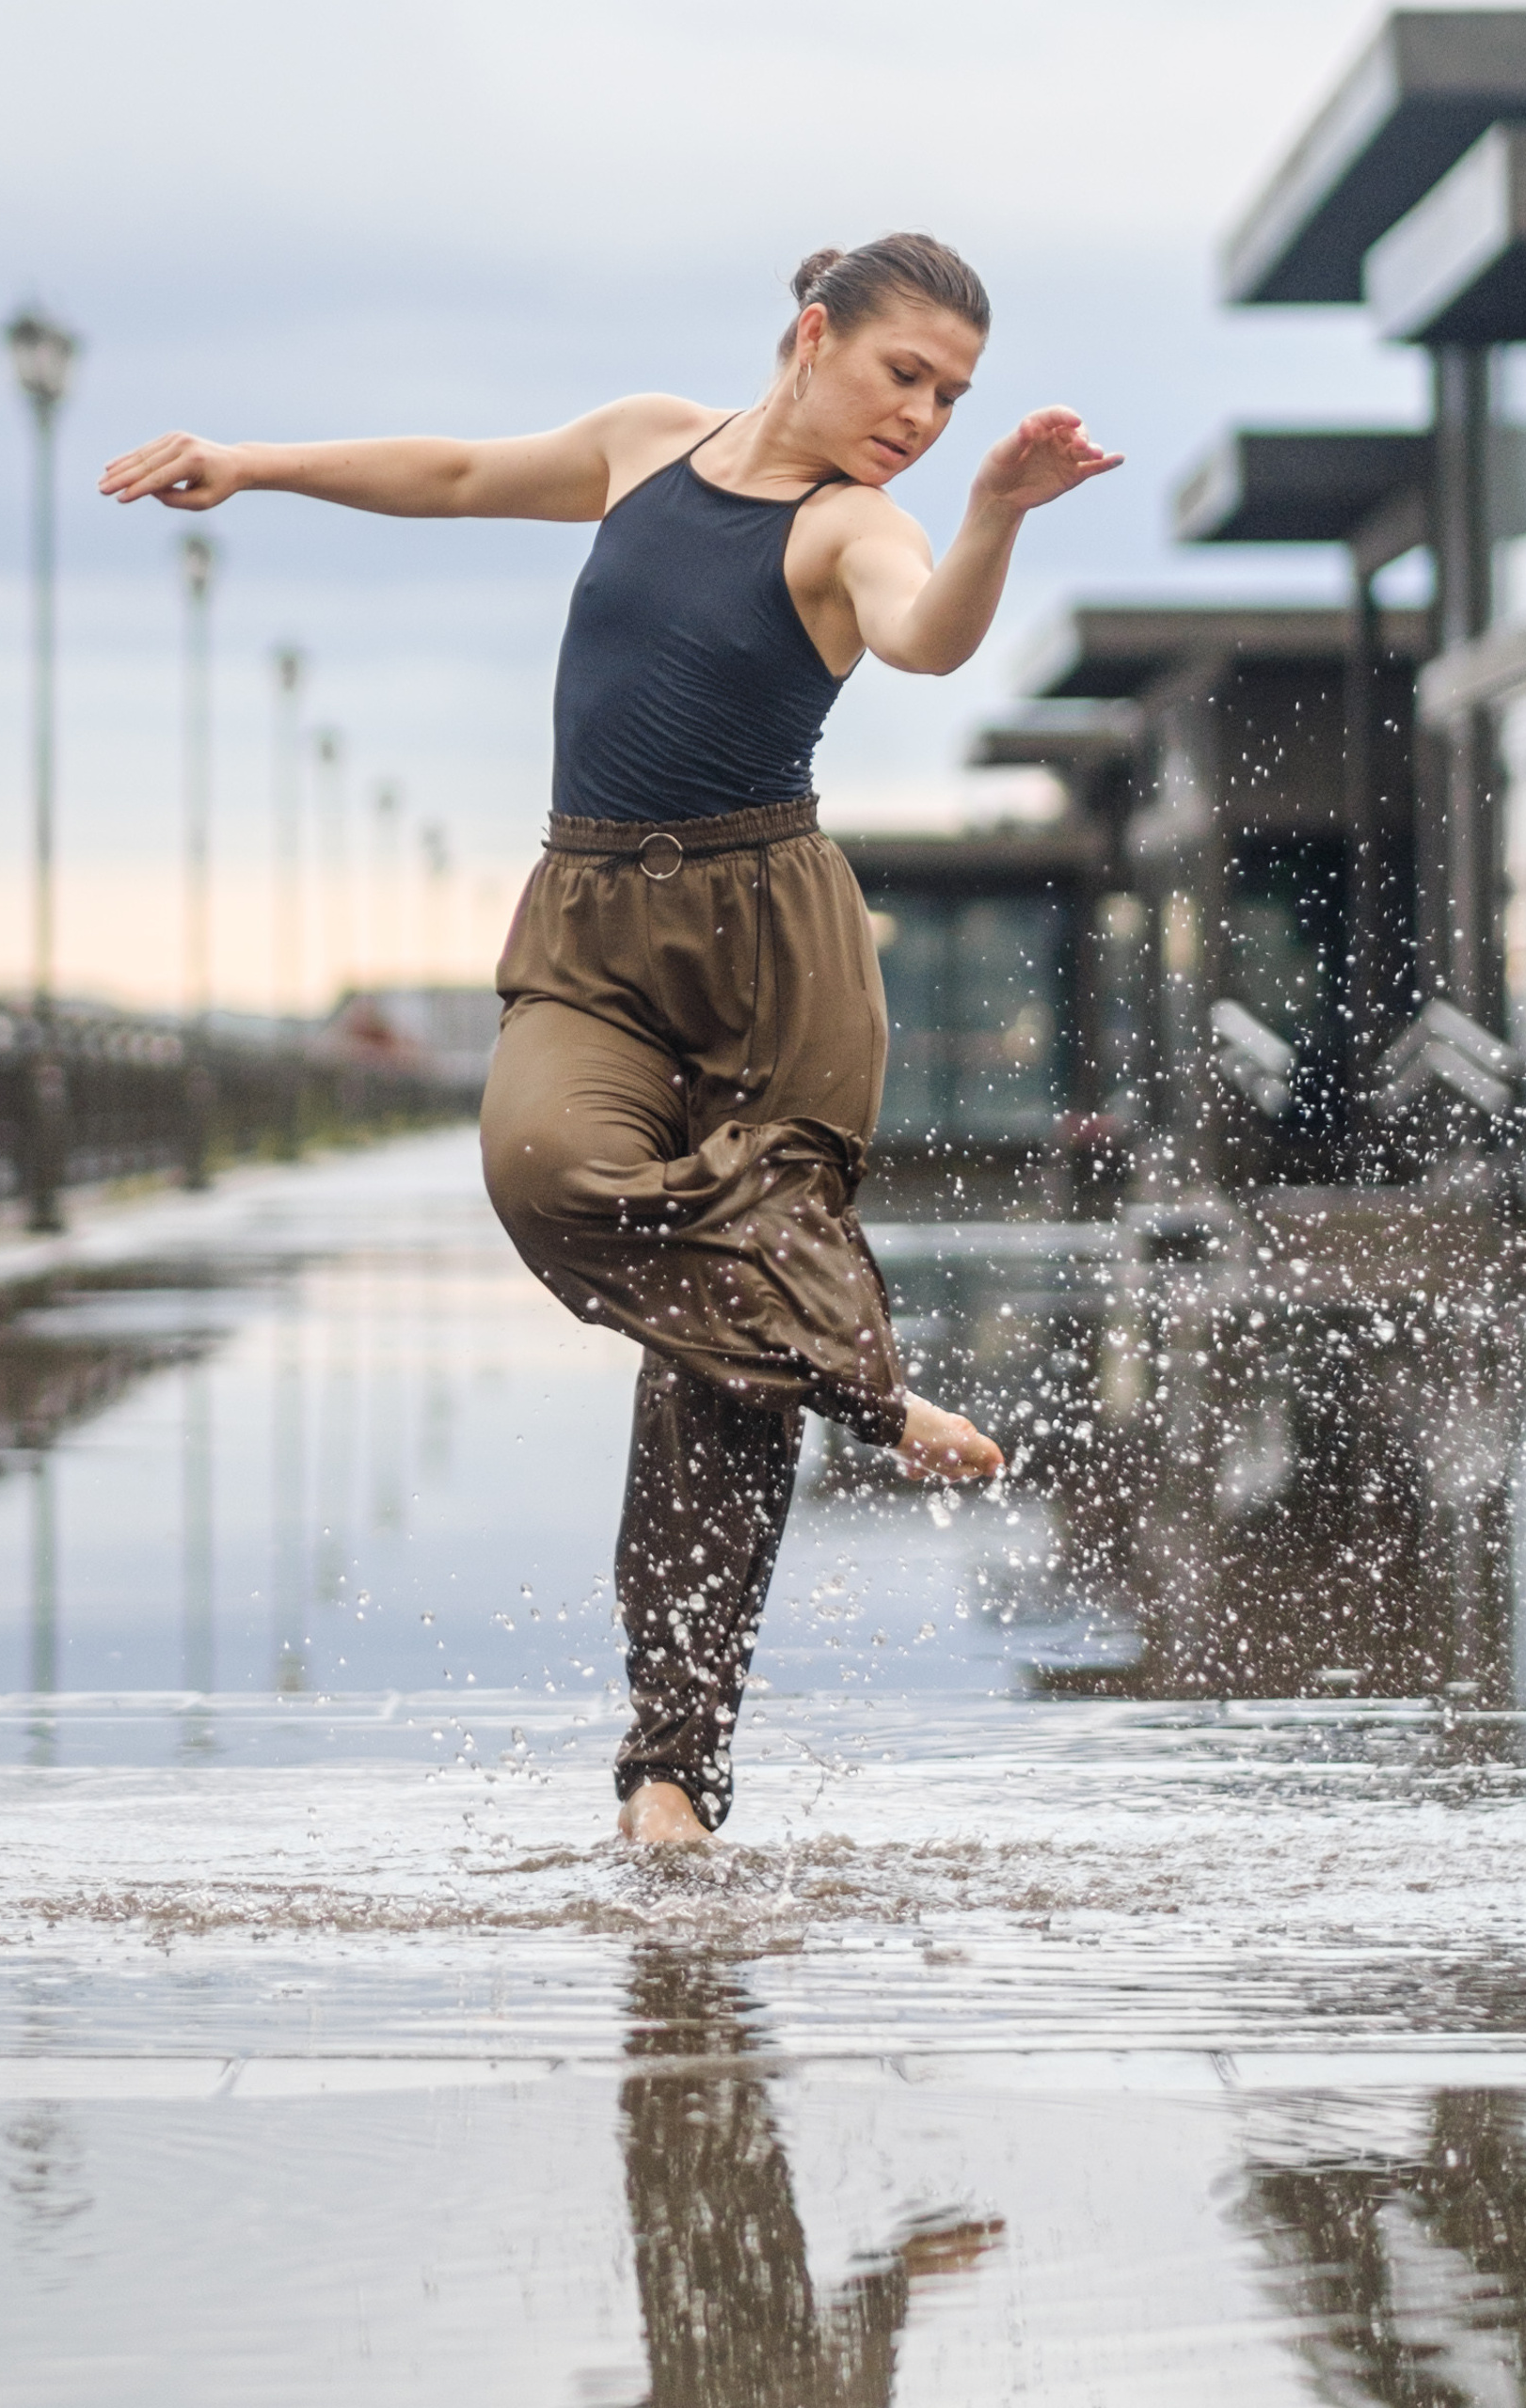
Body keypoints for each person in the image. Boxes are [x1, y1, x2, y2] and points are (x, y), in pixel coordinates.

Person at [100, 233, 1119, 1847]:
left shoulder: (859, 527)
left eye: (951, 395)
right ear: (813, 334)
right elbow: (448, 472)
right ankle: (863, 1384)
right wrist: (251, 463)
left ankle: (673, 1779)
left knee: (713, 1400)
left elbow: (924, 639)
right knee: (544, 1166)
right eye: (902, 373)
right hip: (589, 925)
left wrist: (995, 506)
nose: (921, 413)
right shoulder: (652, 442)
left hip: (774, 953)